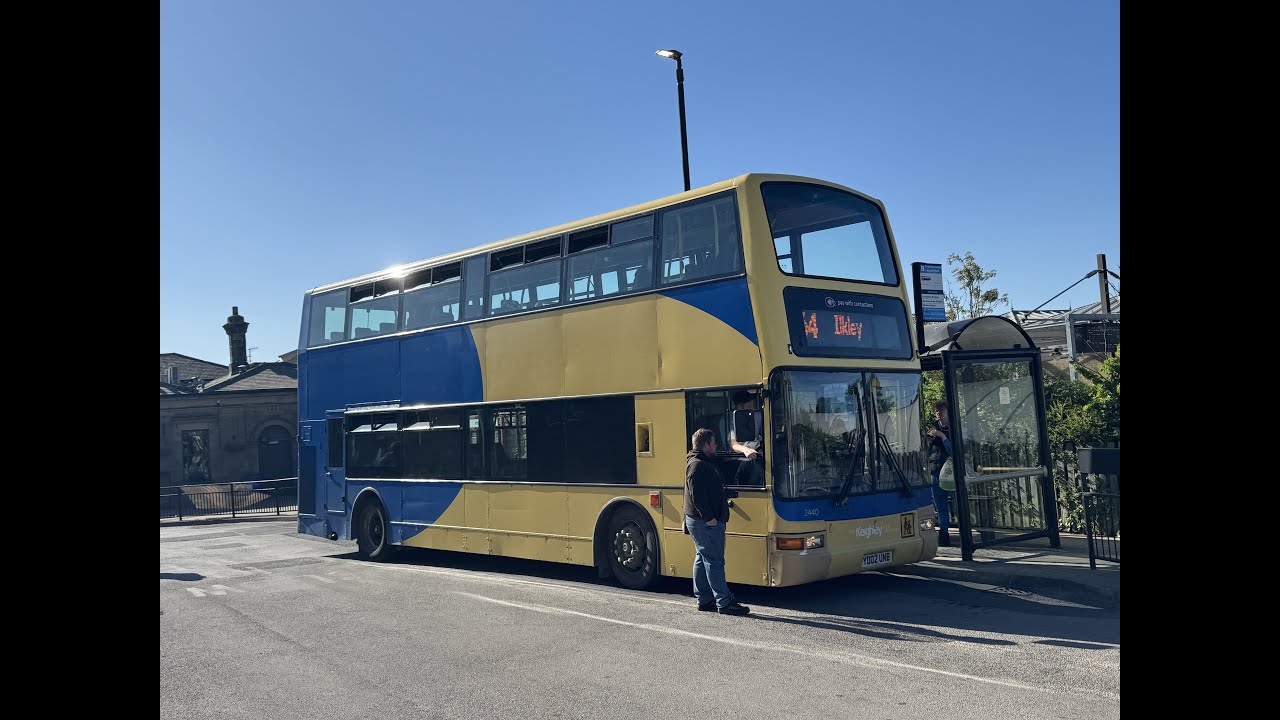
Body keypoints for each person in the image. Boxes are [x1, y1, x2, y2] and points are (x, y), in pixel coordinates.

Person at [683, 428, 751, 616]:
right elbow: (697, 496)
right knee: (715, 561)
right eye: (713, 443)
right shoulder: (698, 465)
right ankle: (724, 601)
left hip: (700, 521)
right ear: (706, 445)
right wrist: (710, 519)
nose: (715, 446)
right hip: (705, 522)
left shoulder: (698, 462)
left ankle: (704, 599)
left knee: (702, 557)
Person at [926, 400, 954, 546]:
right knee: (940, 504)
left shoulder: (954, 428)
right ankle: (944, 533)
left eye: (941, 411)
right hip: (936, 470)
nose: (939, 414)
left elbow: (953, 451)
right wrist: (929, 441)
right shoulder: (933, 428)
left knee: (957, 502)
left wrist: (943, 437)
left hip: (951, 472)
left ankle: (965, 531)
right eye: (936, 412)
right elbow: (927, 452)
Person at [727, 390, 765, 486]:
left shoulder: (756, 415)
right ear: (740, 407)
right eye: (749, 406)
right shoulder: (730, 419)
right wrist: (746, 450)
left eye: (753, 406)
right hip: (741, 459)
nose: (752, 409)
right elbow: (733, 444)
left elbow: (765, 434)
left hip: (758, 455)